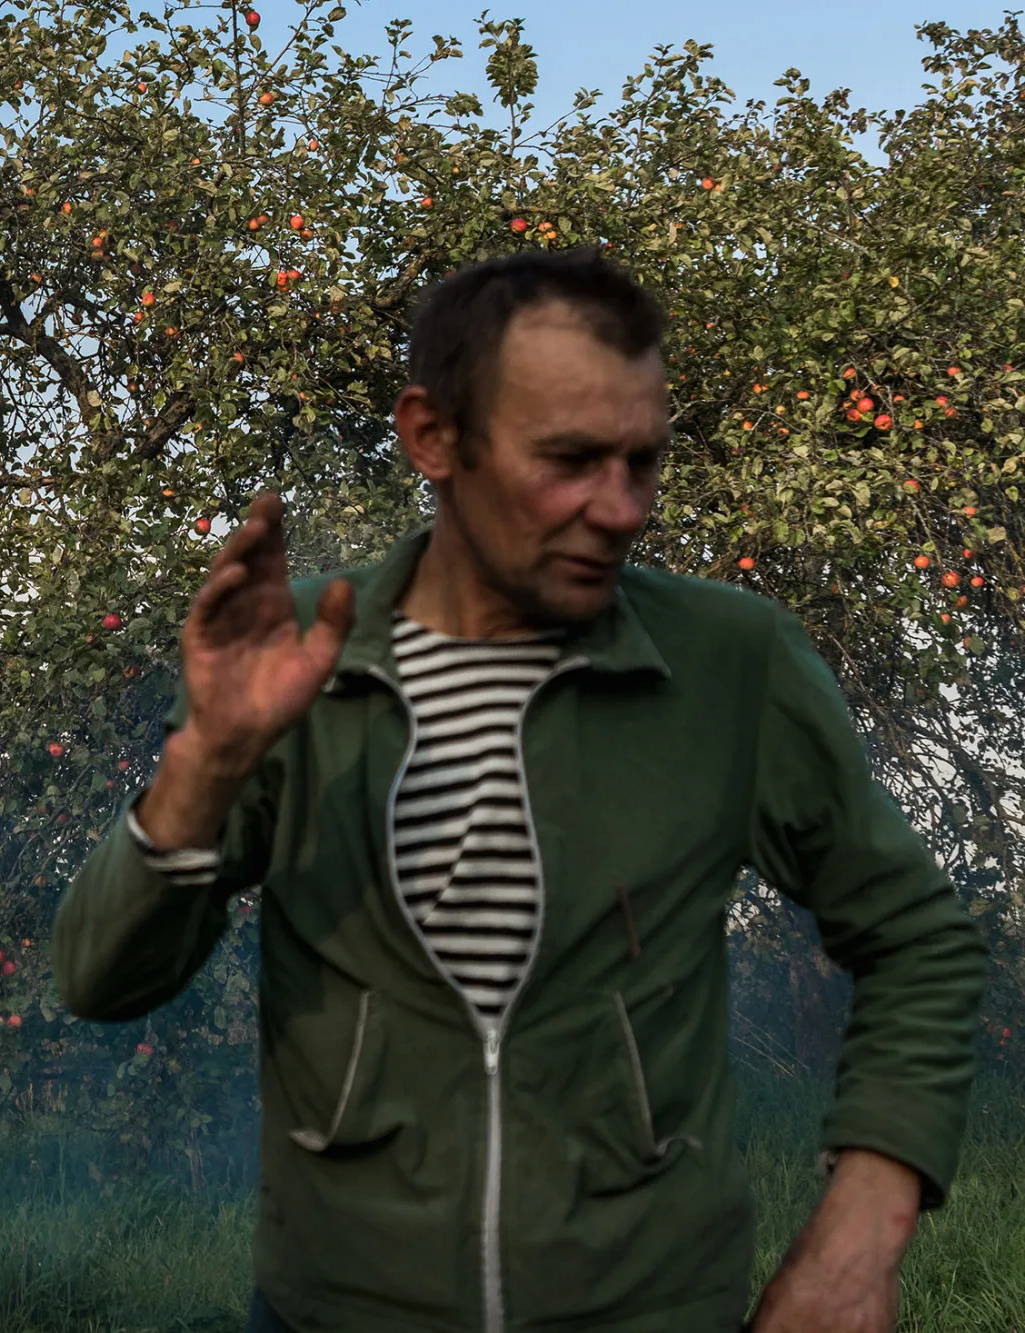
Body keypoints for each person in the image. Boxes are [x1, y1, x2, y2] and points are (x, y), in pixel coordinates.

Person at [51, 247, 986, 1332]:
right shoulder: (295, 657)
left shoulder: (734, 663)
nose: (621, 507)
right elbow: (99, 980)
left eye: (643, 462)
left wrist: (858, 1235)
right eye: (571, 459)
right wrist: (208, 761)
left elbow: (917, 936)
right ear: (432, 436)